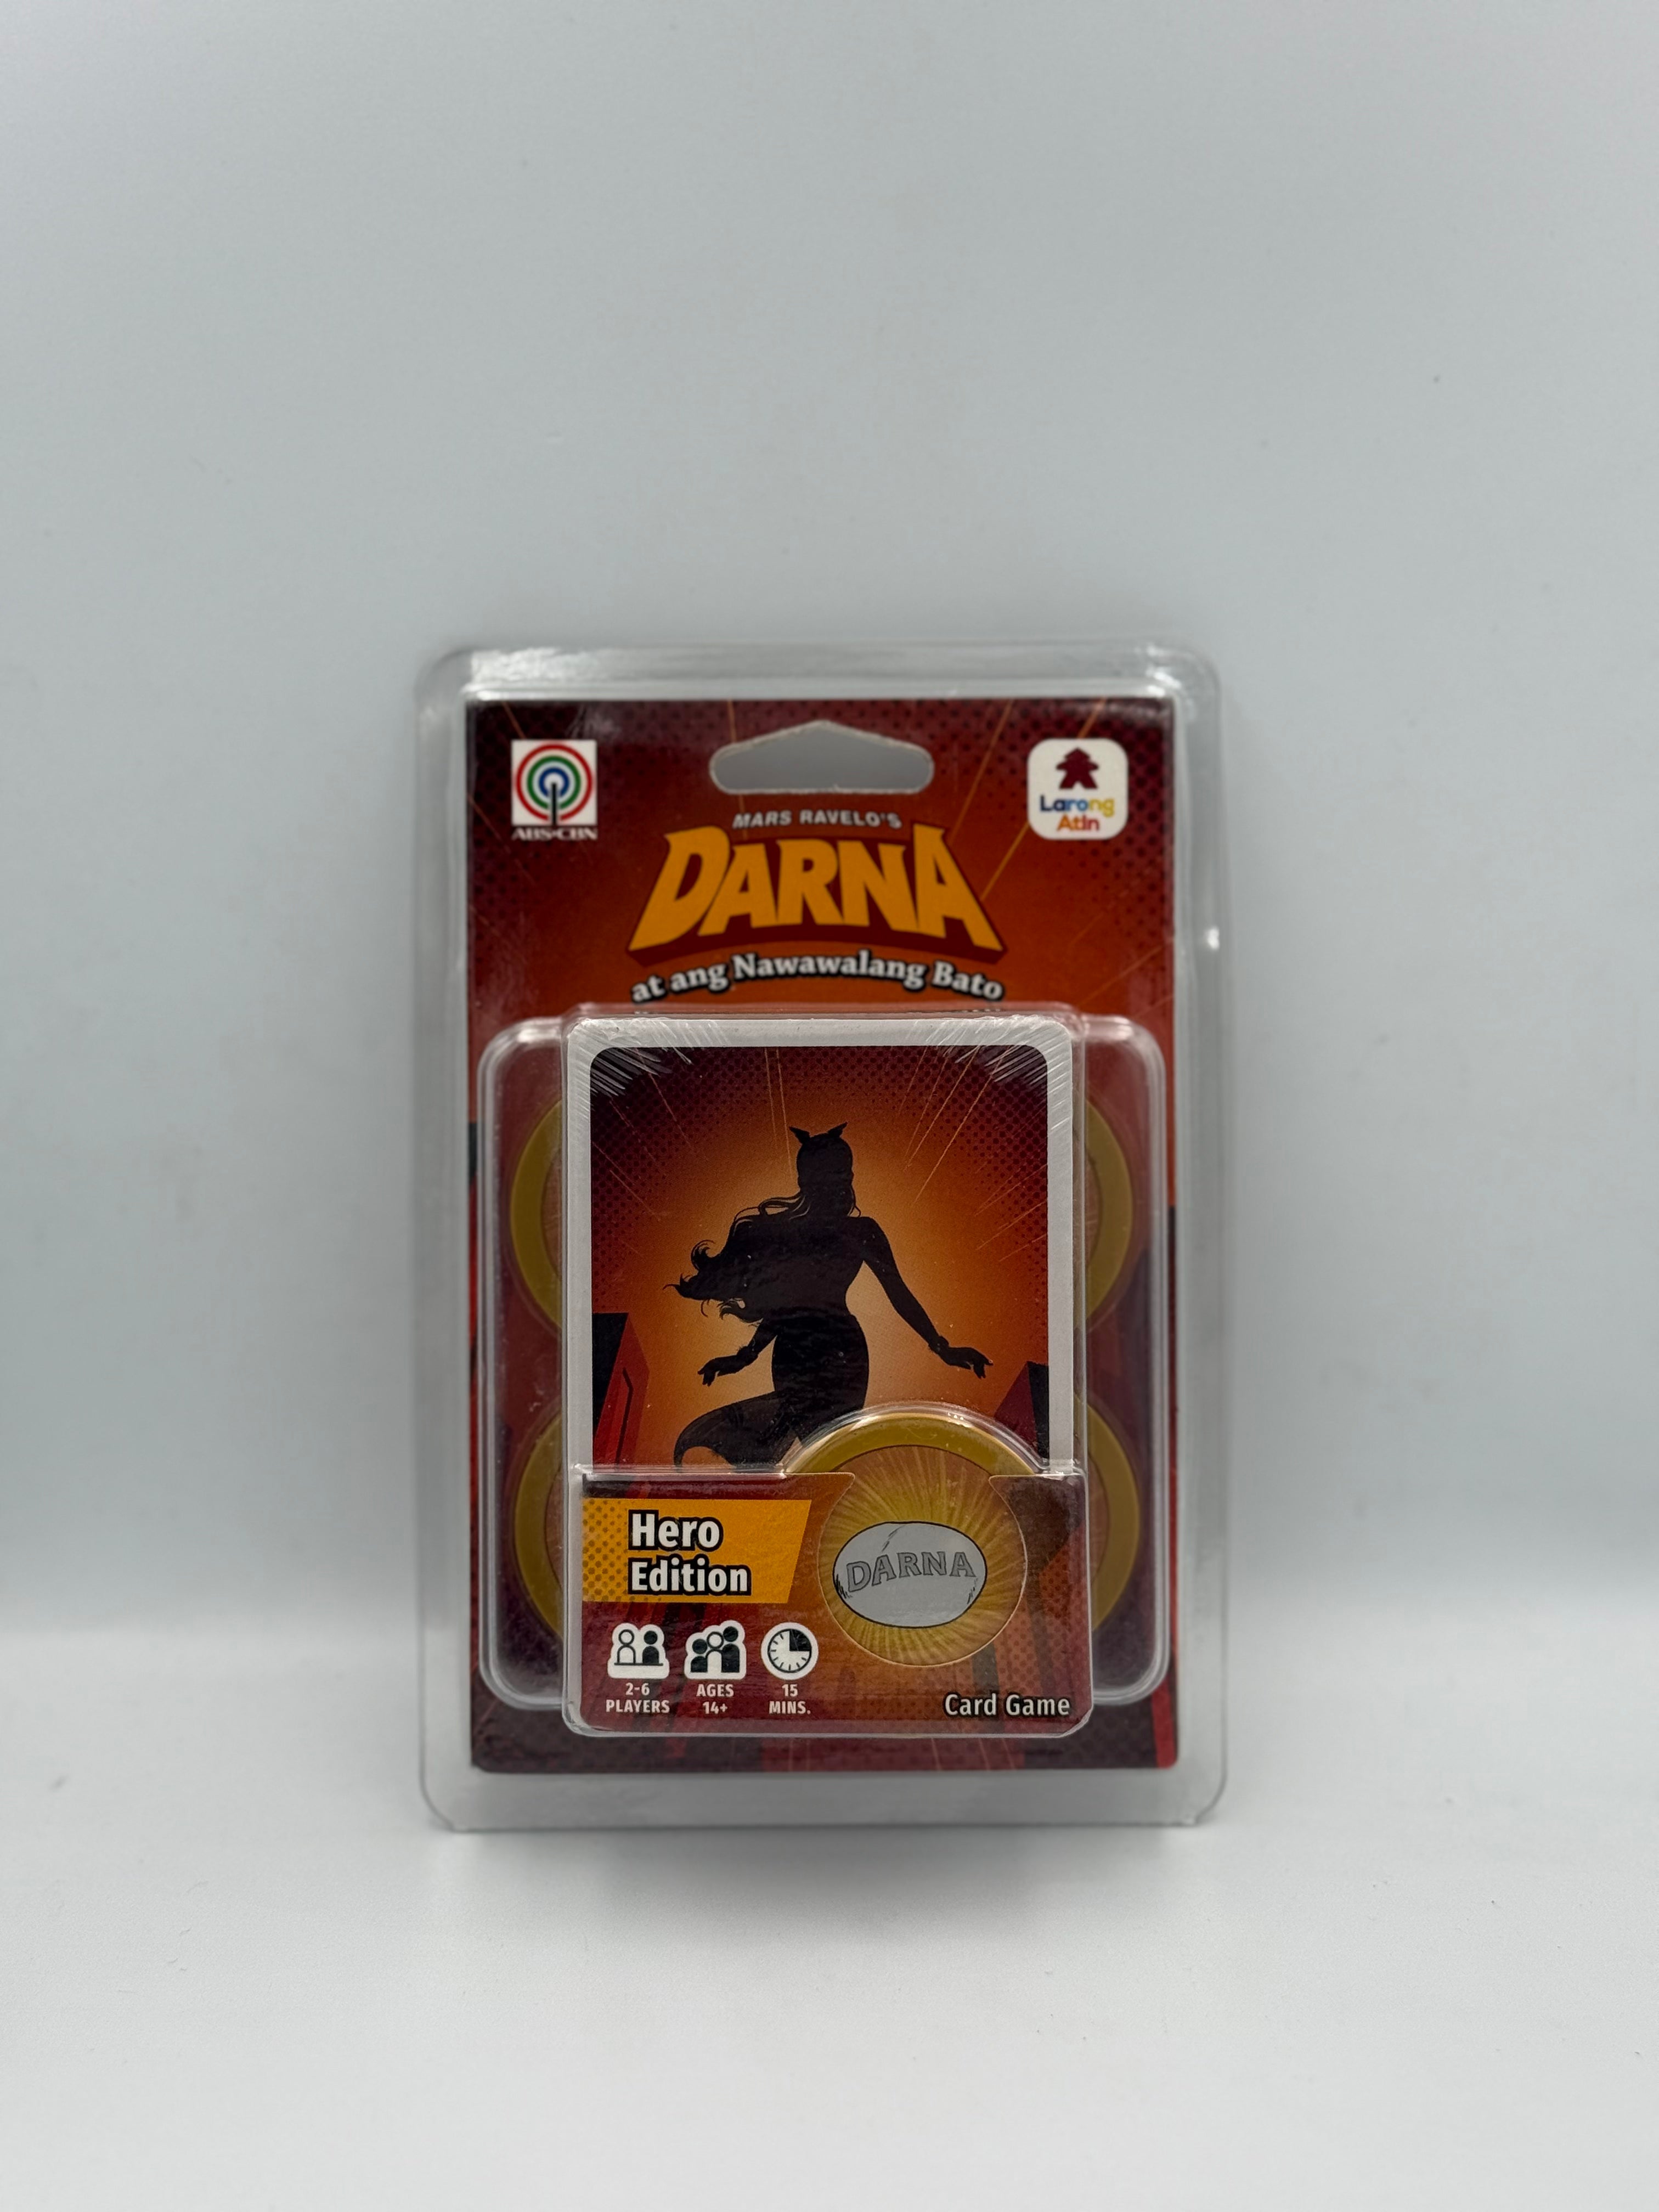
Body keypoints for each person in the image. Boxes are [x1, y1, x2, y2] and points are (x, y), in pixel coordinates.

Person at [672, 1125, 989, 1466]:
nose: (841, 1183)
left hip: (842, 1353)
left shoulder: (862, 1231)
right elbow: (785, 1308)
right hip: (798, 1351)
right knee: (818, 1449)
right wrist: (746, 1356)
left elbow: (899, 1294)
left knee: (833, 1448)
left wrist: (942, 1347)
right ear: (806, 1180)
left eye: (845, 1174)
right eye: (832, 1174)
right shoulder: (795, 1235)